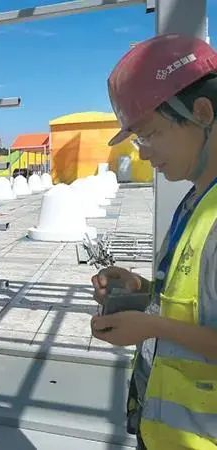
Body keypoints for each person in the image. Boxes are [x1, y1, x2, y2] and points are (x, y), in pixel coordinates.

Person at [90, 34, 217, 450]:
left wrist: (151, 326)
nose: (143, 154)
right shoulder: (196, 200)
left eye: (150, 134)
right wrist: (141, 290)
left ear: (201, 113)